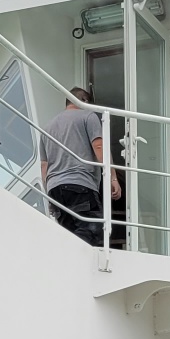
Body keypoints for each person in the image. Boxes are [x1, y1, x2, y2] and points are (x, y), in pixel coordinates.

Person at [40, 87, 120, 245]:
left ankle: (67, 255)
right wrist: (113, 178)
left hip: (55, 190)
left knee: (69, 235)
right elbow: (99, 147)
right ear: (84, 101)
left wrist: (49, 195)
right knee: (95, 229)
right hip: (80, 184)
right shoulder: (88, 116)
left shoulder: (47, 128)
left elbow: (44, 166)